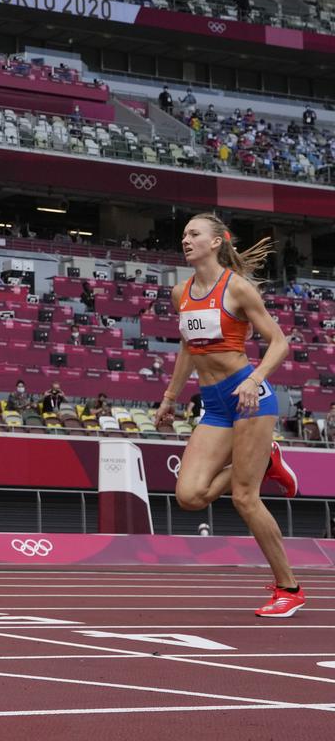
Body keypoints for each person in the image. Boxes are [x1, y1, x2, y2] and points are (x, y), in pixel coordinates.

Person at [152, 213, 302, 617]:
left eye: (194, 234)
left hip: (250, 398)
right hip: (214, 404)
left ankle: (288, 588)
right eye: (183, 234)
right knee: (189, 496)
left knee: (245, 498)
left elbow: (279, 343)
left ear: (217, 242)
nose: (185, 240)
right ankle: (265, 458)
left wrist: (255, 379)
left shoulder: (237, 288)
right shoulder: (180, 292)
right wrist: (170, 397)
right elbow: (187, 346)